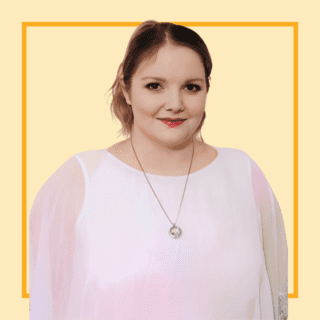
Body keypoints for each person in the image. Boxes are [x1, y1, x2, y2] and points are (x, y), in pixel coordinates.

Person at [29, 20, 288, 319]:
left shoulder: (245, 175)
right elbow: (48, 304)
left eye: (191, 87)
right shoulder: (78, 182)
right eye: (155, 86)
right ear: (126, 90)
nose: (175, 103)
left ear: (207, 89)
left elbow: (275, 295)